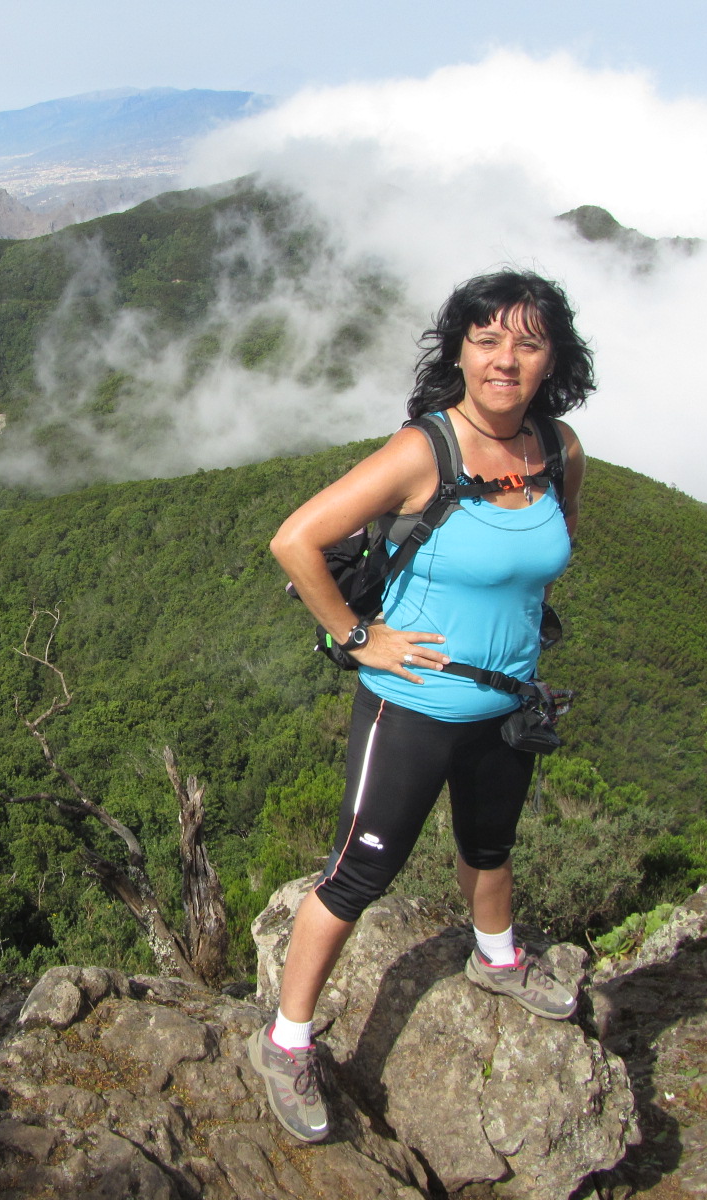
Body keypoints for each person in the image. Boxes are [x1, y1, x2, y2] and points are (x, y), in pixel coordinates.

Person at [248, 269, 593, 1144]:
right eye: (486, 340)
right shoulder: (423, 451)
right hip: (413, 705)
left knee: (490, 846)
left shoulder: (558, 450)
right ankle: (287, 1041)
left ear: (553, 359)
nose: (505, 359)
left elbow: (553, 546)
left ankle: (497, 958)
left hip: (506, 701)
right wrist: (357, 638)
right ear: (461, 352)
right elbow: (296, 539)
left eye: (526, 342)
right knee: (358, 875)